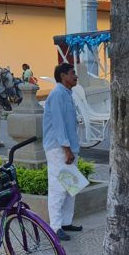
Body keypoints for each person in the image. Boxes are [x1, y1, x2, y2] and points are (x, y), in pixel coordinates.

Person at [42, 62, 81, 241]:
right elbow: (58, 125)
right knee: (58, 187)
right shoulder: (57, 94)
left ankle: (66, 222)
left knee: (71, 186)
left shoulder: (67, 93)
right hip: (58, 148)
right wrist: (66, 149)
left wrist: (71, 149)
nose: (76, 76)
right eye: (73, 73)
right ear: (63, 76)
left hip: (69, 148)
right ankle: (55, 227)